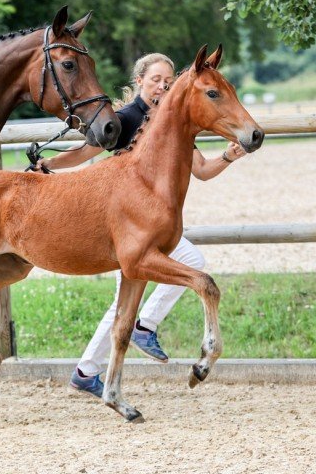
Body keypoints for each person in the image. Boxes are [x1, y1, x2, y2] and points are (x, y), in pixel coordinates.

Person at [34, 53, 248, 398]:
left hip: (150, 224)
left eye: (167, 80)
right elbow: (87, 152)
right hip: (125, 222)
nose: (162, 85)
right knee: (185, 265)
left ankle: (88, 370)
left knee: (127, 299)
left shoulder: (176, 122)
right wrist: (51, 163)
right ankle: (141, 328)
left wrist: (228, 156)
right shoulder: (126, 117)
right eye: (155, 80)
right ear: (139, 82)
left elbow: (202, 171)